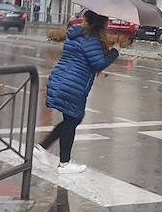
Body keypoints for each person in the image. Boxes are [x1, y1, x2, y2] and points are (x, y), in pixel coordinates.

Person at [34, 10, 119, 173]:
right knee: (73, 119)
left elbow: (82, 59)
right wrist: (114, 52)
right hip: (72, 84)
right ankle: (64, 164)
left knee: (71, 120)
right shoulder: (91, 39)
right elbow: (99, 63)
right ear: (100, 24)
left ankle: (43, 148)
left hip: (61, 78)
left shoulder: (76, 35)